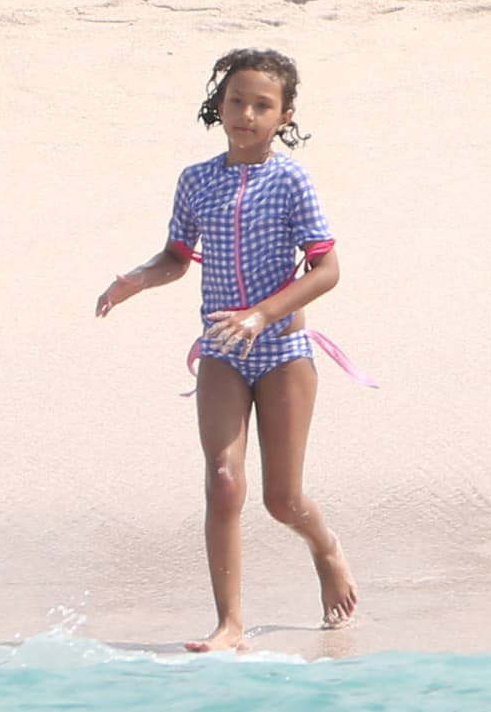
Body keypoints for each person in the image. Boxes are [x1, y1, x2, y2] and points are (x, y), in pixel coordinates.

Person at [95, 48, 359, 651]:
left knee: (281, 499)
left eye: (261, 105)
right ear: (219, 105)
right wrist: (138, 278)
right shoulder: (196, 180)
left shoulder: (292, 179)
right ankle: (229, 624)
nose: (246, 113)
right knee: (222, 481)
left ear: (284, 115)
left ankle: (326, 548)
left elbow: (327, 269)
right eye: (236, 101)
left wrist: (264, 314)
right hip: (220, 351)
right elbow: (176, 257)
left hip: (284, 350)